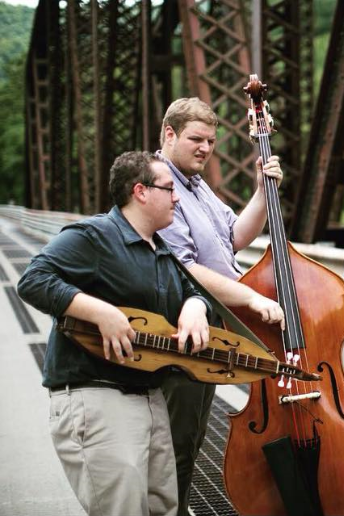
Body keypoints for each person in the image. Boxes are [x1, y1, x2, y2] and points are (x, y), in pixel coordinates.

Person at [17, 151, 212, 516]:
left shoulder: (160, 248)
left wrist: (195, 307)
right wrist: (99, 311)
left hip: (150, 398)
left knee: (163, 509)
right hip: (99, 397)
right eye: (169, 188)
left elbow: (194, 291)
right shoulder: (94, 236)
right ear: (140, 191)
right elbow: (33, 280)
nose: (177, 197)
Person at [155, 97, 286, 515]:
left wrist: (266, 192)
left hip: (211, 326)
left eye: (211, 141)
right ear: (169, 134)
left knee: (190, 442)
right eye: (196, 139)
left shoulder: (196, 183)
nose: (205, 148)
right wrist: (250, 296)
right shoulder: (162, 187)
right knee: (176, 446)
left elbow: (235, 238)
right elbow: (185, 267)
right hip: (181, 332)